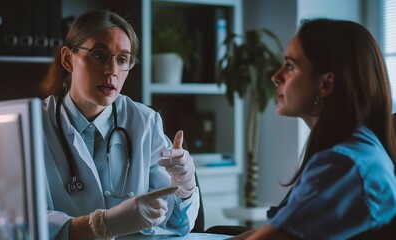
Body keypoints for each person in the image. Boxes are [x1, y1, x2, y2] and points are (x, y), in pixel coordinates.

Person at [39, 9, 199, 240]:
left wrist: (185, 188)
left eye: (122, 59)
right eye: (99, 55)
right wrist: (101, 226)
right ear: (68, 59)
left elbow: (177, 225)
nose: (112, 71)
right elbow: (19, 223)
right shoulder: (32, 127)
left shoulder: (144, 122)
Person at [233, 18, 396, 239]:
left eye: (290, 66)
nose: (276, 77)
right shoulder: (353, 150)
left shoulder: (344, 165)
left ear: (326, 84)